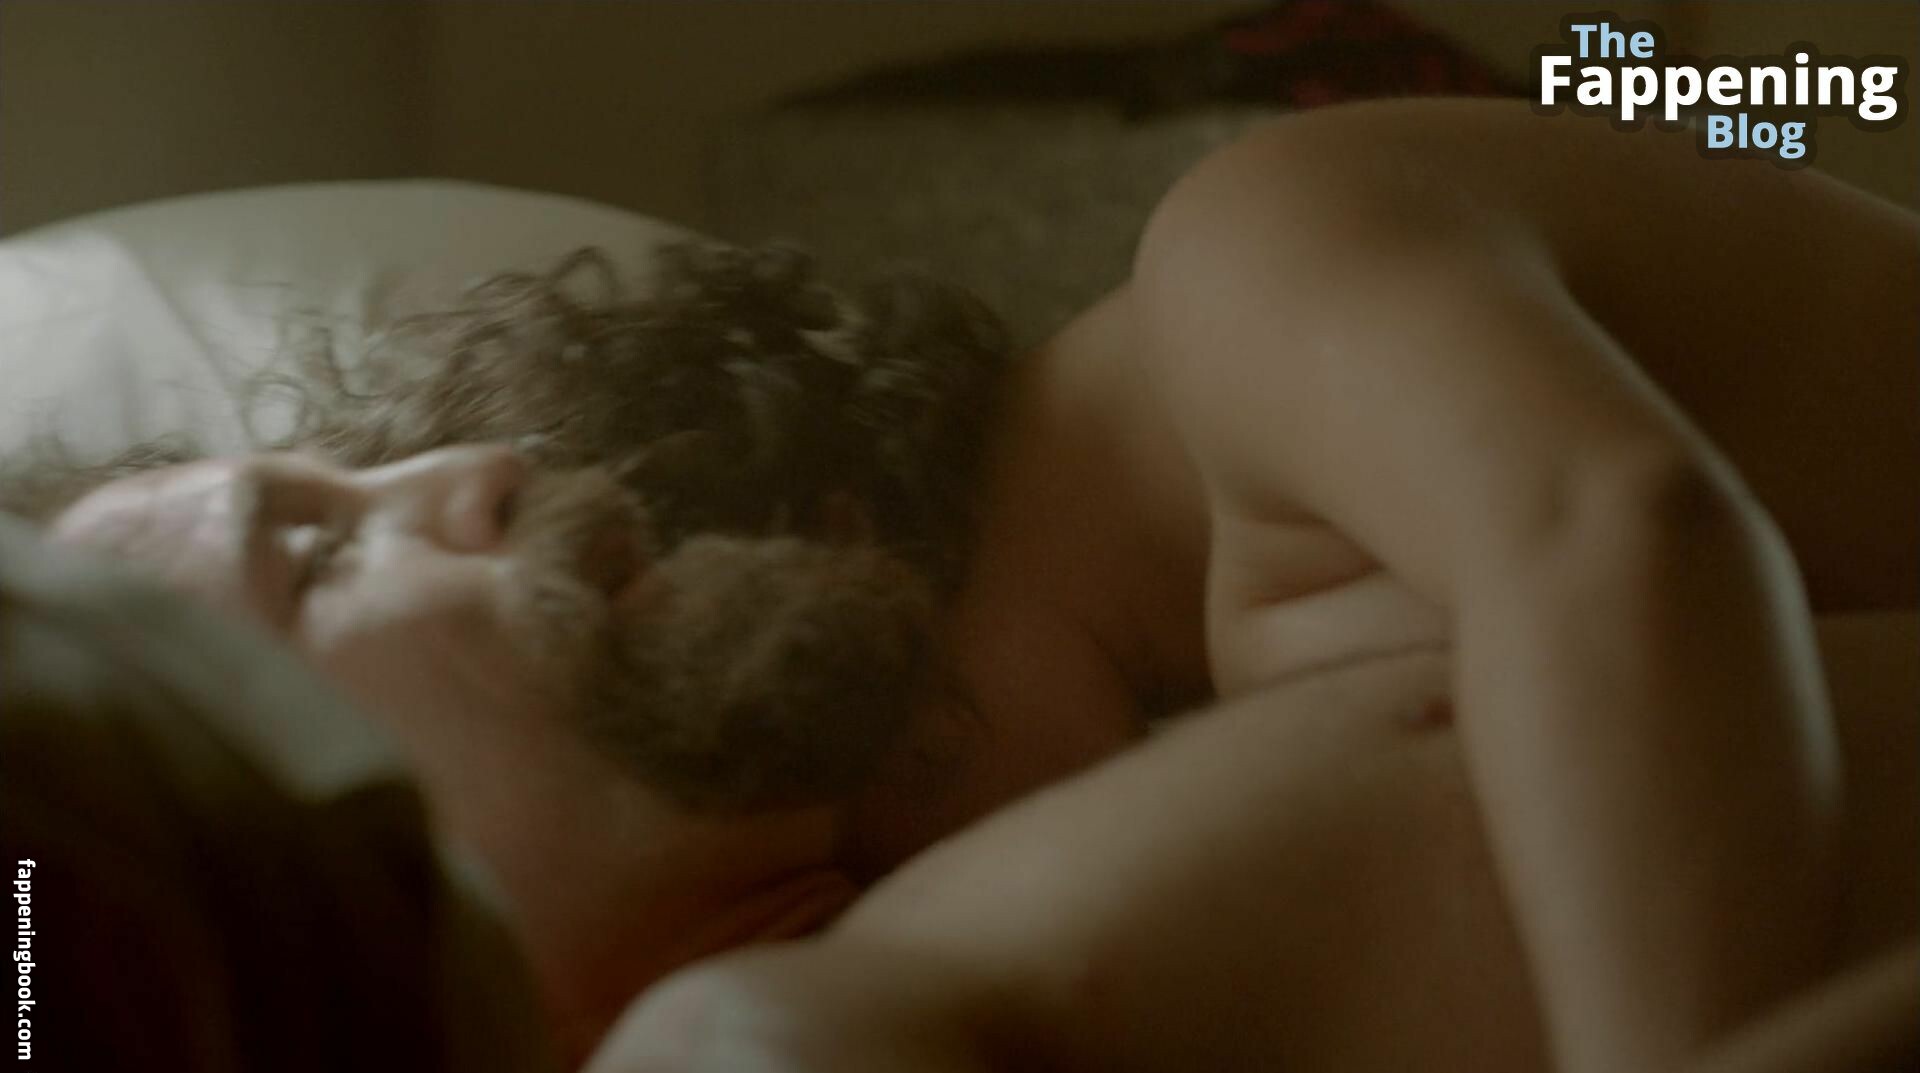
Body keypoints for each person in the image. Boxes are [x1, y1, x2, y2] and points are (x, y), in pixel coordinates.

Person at [13, 98, 1918, 1070]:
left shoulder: (1249, 260)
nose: (470, 468)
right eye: (322, 545)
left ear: (824, 520)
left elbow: (1623, 539)